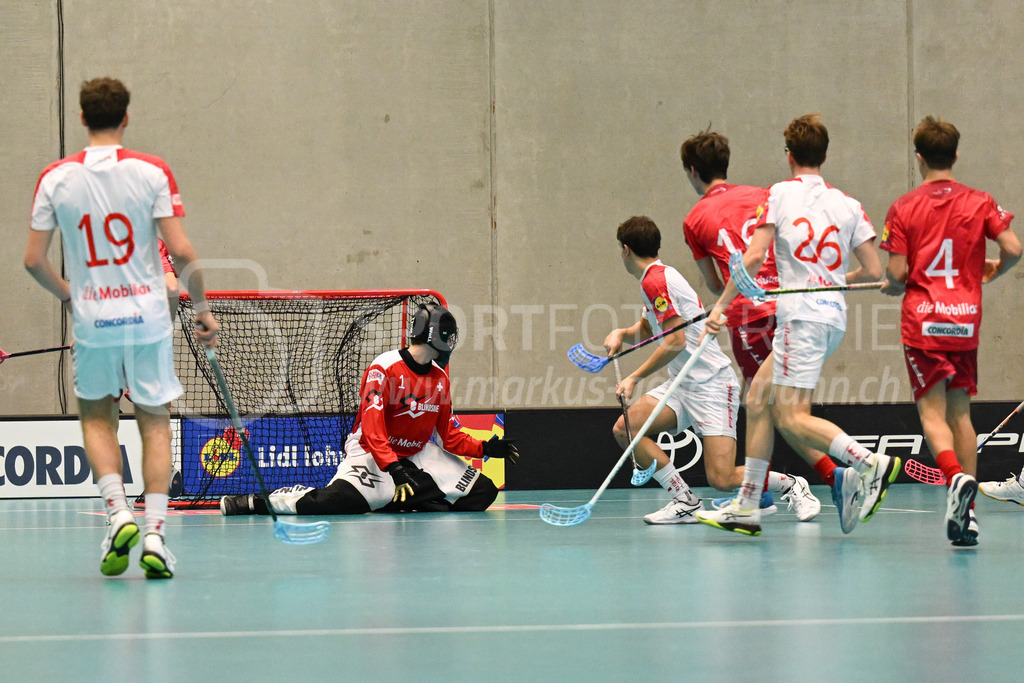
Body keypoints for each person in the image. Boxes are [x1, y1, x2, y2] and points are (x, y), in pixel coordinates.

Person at [24, 77, 219, 578]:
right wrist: (201, 309)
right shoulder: (152, 171)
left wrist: (70, 295)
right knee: (154, 422)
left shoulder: (55, 178)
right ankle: (154, 534)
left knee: (96, 419)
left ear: (83, 119)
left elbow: (32, 261)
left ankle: (117, 514)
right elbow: (182, 253)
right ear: (126, 118)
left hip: (94, 320)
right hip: (148, 318)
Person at [695, 113, 898, 536]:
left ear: (789, 156)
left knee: (790, 417)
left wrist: (721, 305)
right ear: (824, 155)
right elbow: (874, 270)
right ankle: (748, 505)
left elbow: (753, 257)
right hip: (831, 317)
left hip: (800, 319)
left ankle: (870, 463)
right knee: (758, 400)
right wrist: (830, 281)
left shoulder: (779, 195)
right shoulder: (849, 204)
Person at [219, 303, 518, 517]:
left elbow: (449, 436)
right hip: (373, 453)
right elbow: (373, 430)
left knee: (483, 492)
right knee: (333, 502)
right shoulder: (384, 368)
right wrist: (394, 469)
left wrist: (485, 448)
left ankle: (389, 500)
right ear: (436, 336)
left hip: (417, 454)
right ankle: (256, 502)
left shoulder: (440, 379)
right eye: (449, 335)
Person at [605, 216, 809, 524]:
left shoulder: (656, 280)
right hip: (681, 385)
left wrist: (636, 376)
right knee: (626, 428)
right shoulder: (654, 280)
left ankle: (793, 485)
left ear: (625, 250)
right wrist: (622, 333)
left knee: (722, 477)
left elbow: (673, 341)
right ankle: (683, 500)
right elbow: (650, 327)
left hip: (711, 385)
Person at [680, 130, 836, 522]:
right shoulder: (762, 195)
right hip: (788, 308)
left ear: (693, 171)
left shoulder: (694, 219)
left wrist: (722, 301)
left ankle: (837, 476)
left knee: (768, 406)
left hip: (749, 316)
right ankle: (759, 496)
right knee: (776, 406)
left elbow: (716, 284)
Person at [881, 116, 1021, 546]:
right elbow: (1014, 248)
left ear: (919, 157)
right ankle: (969, 513)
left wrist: (892, 282)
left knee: (931, 414)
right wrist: (994, 270)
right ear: (956, 154)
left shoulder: (904, 207)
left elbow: (898, 273)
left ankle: (955, 479)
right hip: (963, 320)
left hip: (924, 322)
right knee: (962, 413)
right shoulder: (980, 201)